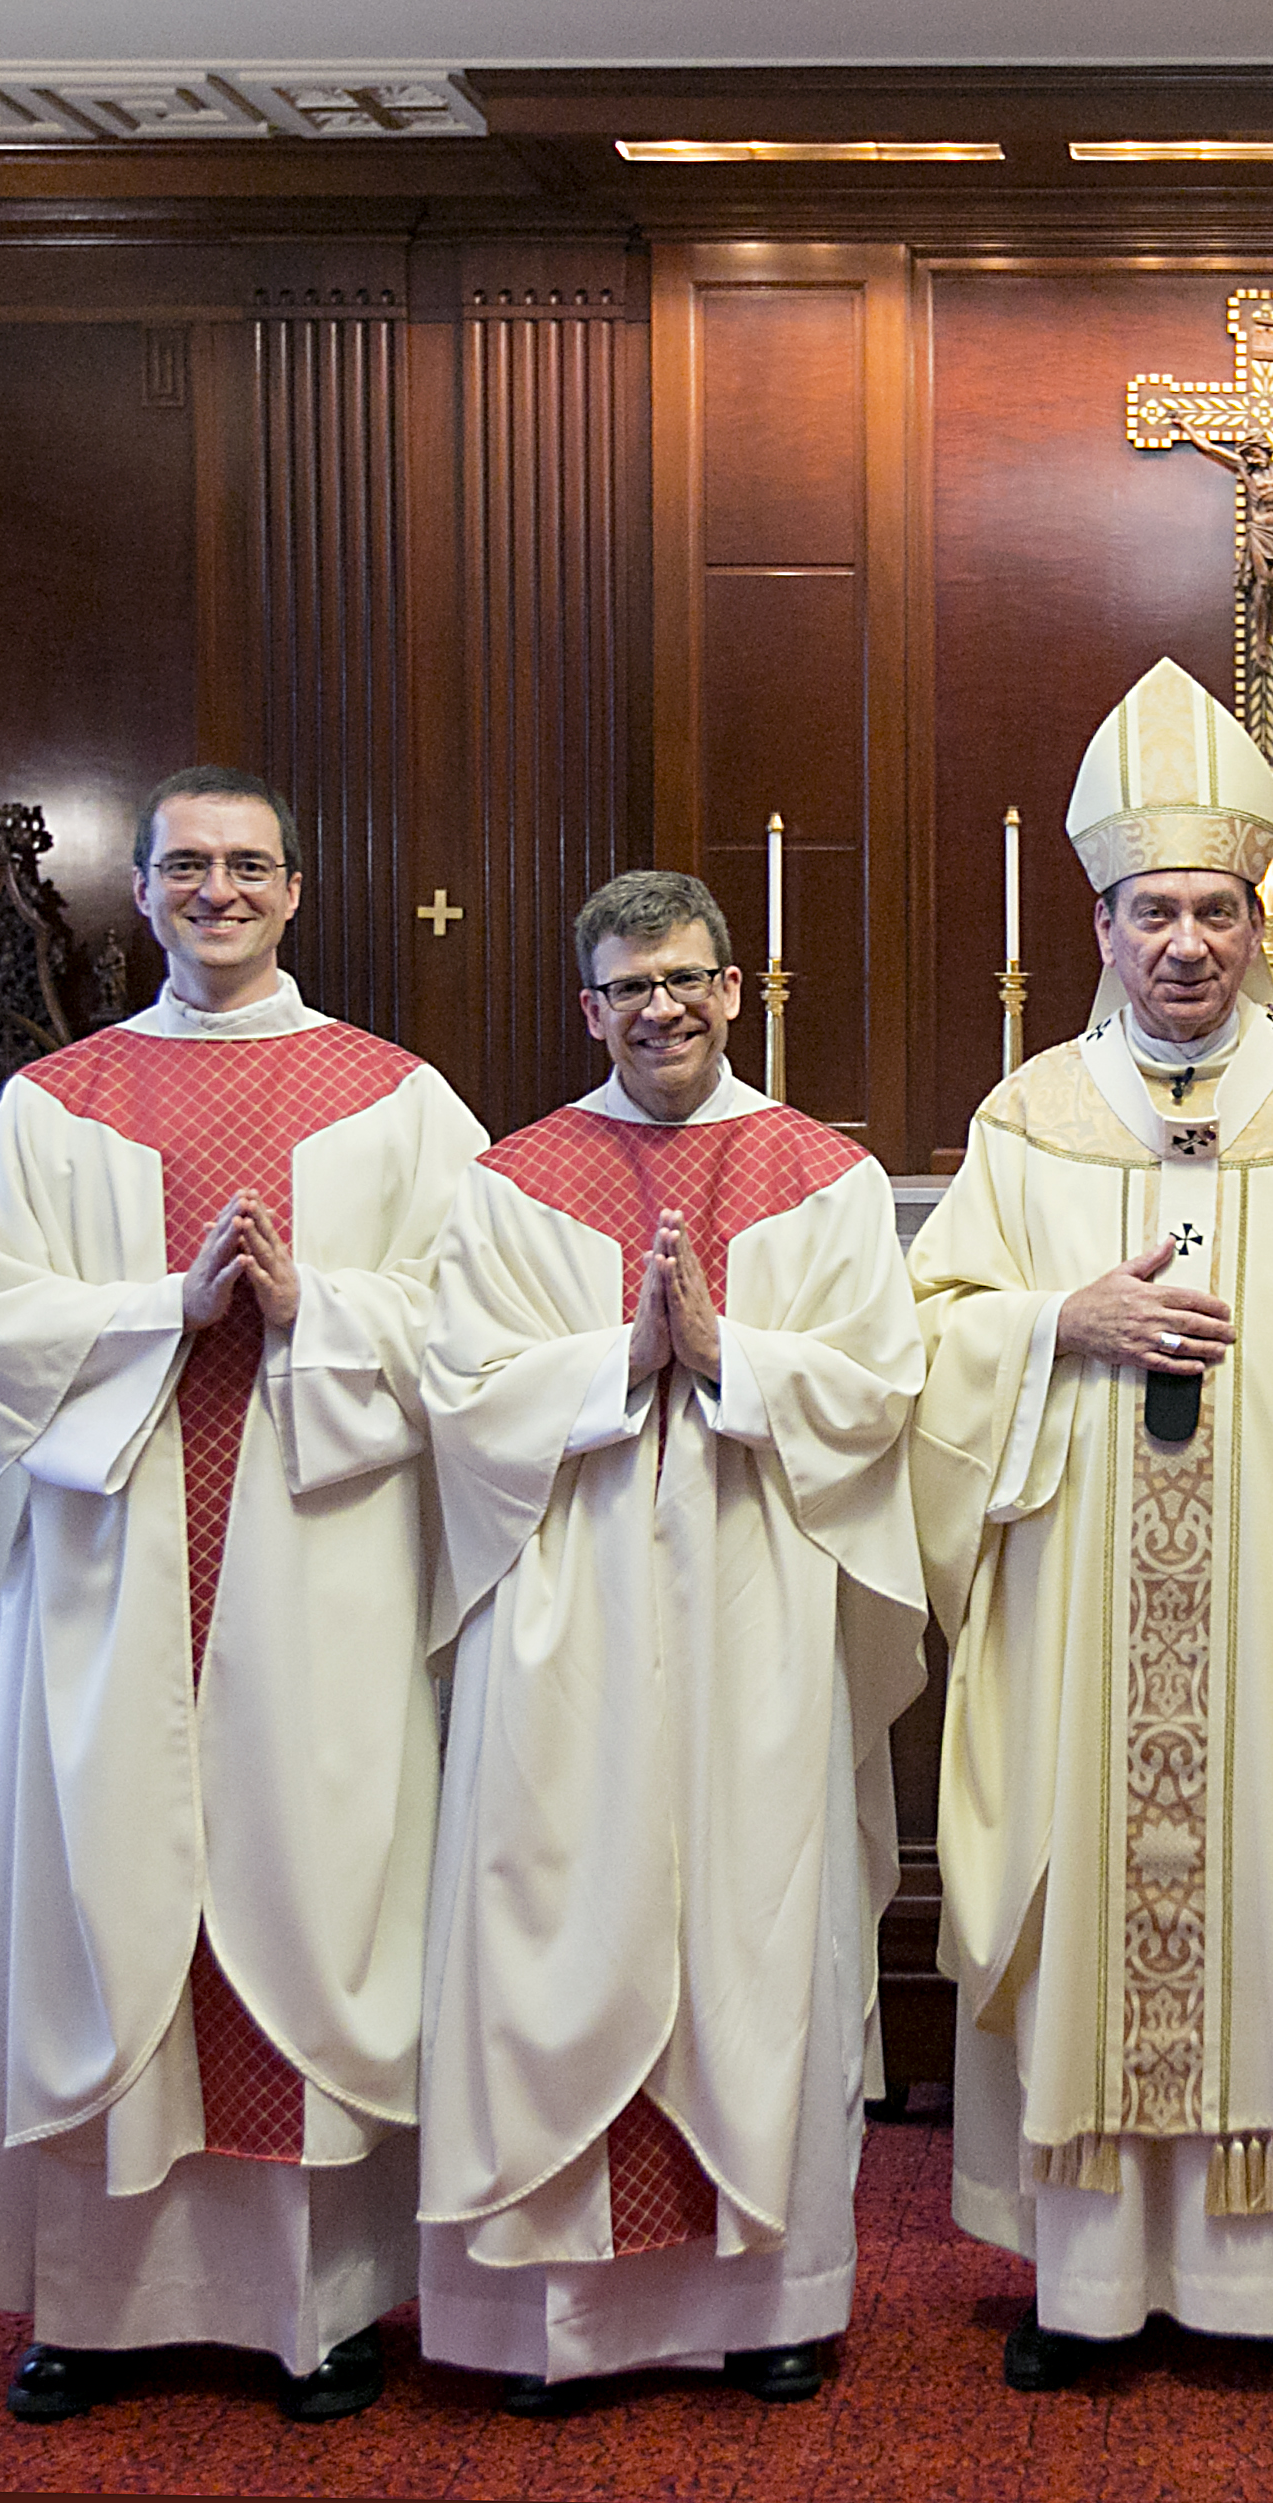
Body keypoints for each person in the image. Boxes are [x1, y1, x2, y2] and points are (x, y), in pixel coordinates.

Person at [904, 656, 1273, 2393]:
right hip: (1083, 1598)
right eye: (1155, 911)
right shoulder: (1028, 1124)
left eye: (1219, 913)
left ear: (1262, 925)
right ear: (1099, 923)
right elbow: (931, 1340)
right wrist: (1052, 1326)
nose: (1188, 944)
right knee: (1091, 1883)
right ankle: (1078, 2287)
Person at [0, 765, 485, 2422]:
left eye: (249, 866)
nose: (218, 890)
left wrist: (320, 1306)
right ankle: (92, 2309)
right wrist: (167, 1305)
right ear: (144, 892)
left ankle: (316, 2311)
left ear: (298, 890)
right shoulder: (57, 1104)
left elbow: (470, 1322)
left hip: (323, 1572)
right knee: (107, 1898)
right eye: (186, 867)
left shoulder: (398, 1103)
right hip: (114, 1578)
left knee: (312, 1889)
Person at [415, 869, 931, 2413]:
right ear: (591, 1009)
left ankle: (763, 2305)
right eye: (630, 988)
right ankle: (558, 2325)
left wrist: (729, 1358)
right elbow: (459, 1392)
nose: (663, 1010)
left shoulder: (819, 1175)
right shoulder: (513, 1179)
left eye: (688, 980)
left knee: (754, 1921)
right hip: (563, 1609)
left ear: (734, 989)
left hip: (757, 1602)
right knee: (550, 1913)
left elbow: (882, 1387)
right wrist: (612, 1362)